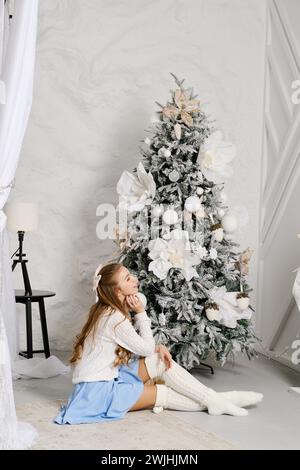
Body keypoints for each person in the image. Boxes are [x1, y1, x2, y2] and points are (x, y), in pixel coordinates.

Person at [54, 262, 263, 424]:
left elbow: (141, 347)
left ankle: (215, 400)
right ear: (118, 292)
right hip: (98, 393)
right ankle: (220, 400)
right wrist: (141, 314)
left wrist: (154, 348)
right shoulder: (115, 320)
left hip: (107, 379)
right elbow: (142, 347)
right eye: (128, 279)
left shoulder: (105, 308)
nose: (134, 280)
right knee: (163, 393)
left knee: (159, 360)